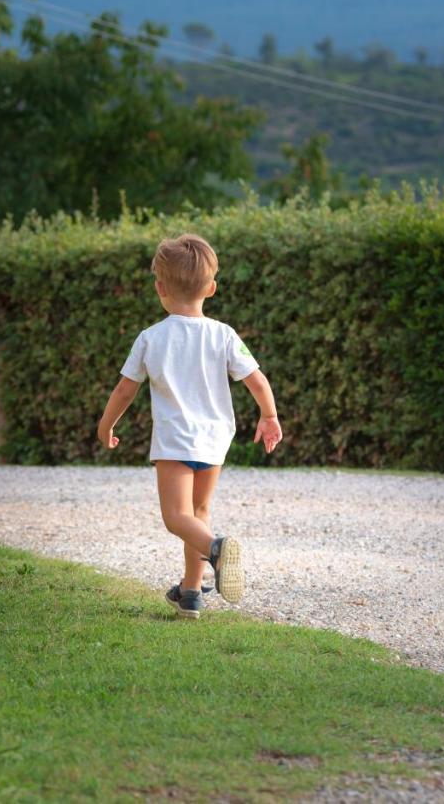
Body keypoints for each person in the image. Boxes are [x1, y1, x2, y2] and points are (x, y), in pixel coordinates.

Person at [96, 233, 282, 619]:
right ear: (211, 288)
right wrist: (268, 416)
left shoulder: (151, 338)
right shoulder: (224, 334)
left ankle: (216, 549)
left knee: (176, 518)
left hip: (175, 441)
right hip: (215, 439)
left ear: (160, 288)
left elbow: (125, 390)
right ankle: (191, 592)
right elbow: (257, 381)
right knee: (198, 511)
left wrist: (106, 423)